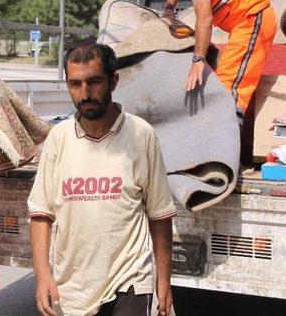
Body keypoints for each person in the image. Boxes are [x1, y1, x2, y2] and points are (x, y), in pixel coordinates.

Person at [28, 43, 176, 316]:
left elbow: (160, 215)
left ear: (113, 81)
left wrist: (163, 280)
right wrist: (42, 275)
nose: (85, 94)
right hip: (71, 288)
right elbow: (41, 215)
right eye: (75, 84)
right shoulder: (58, 139)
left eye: (94, 82)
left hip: (130, 278)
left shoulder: (141, 135)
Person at [138, 0, 278, 117]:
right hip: (244, 24)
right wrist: (169, 8)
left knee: (228, 93)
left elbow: (204, 19)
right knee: (224, 87)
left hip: (252, 20)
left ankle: (226, 139)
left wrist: (198, 60)